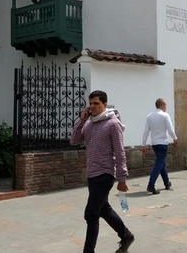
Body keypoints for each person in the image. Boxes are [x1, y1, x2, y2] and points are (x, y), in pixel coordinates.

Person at [70, 90, 135, 253]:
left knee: (91, 214)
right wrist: (81, 120)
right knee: (103, 208)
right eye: (90, 103)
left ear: (104, 104)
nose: (92, 106)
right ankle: (126, 236)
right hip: (92, 174)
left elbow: (120, 152)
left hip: (105, 174)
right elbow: (74, 141)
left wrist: (122, 178)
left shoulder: (113, 124)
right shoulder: (89, 123)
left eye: (96, 103)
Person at [141, 98, 178, 194]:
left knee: (161, 164)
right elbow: (170, 130)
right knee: (159, 164)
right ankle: (150, 185)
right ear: (161, 105)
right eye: (165, 105)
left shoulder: (149, 116)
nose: (166, 107)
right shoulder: (165, 115)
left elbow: (146, 131)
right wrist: (175, 138)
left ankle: (167, 183)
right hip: (163, 143)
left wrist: (143, 144)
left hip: (155, 144)